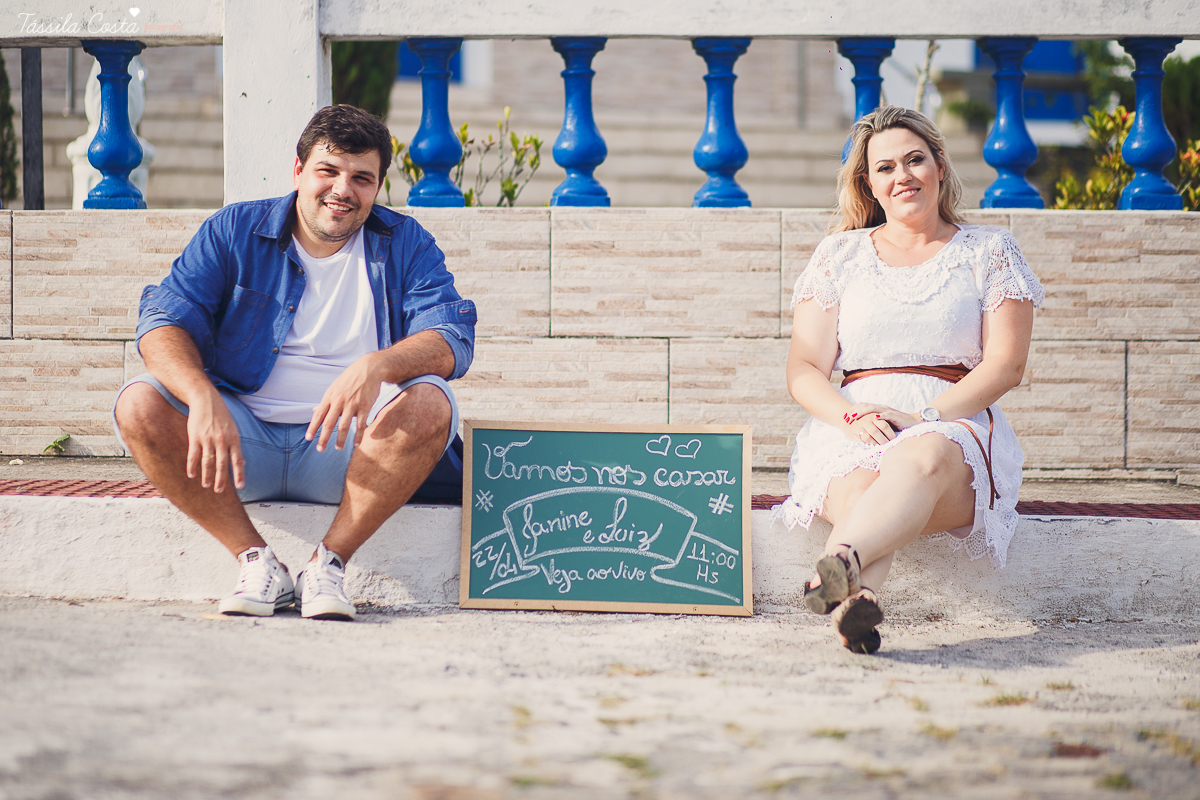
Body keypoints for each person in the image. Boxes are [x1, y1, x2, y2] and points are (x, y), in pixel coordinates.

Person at [113, 105, 476, 622]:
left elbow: (452, 337)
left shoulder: (405, 242)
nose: (343, 190)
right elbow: (162, 322)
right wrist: (200, 396)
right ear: (299, 171)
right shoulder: (234, 229)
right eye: (328, 171)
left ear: (377, 187)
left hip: (347, 454)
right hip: (238, 447)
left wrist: (376, 366)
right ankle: (256, 561)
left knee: (432, 403)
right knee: (138, 401)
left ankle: (327, 565)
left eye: (361, 178)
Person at [773, 105, 1044, 654]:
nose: (903, 176)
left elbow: (1006, 365)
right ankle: (856, 604)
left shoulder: (990, 250)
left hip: (951, 421)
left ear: (940, 166)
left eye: (915, 160)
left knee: (922, 458)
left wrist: (926, 418)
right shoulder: (839, 255)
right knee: (861, 489)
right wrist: (851, 418)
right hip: (854, 423)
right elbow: (803, 368)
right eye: (886, 168)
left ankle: (843, 559)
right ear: (869, 184)